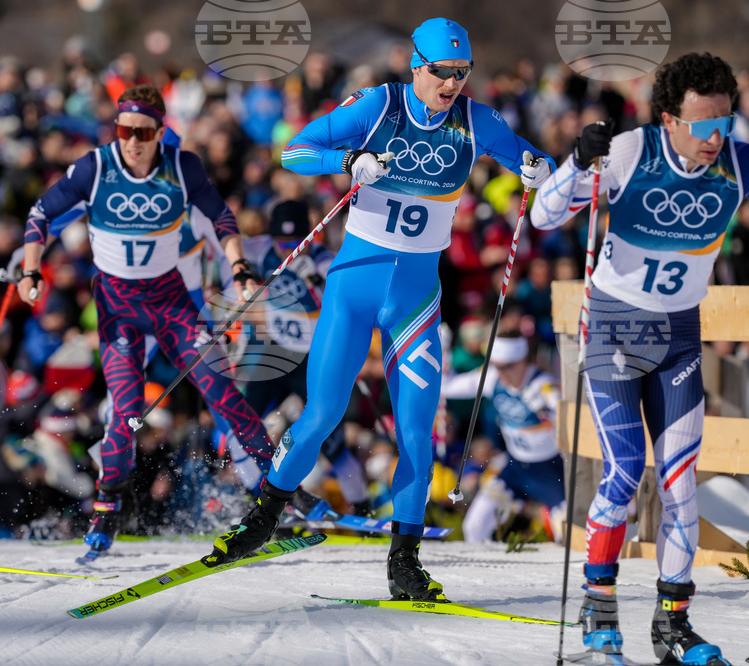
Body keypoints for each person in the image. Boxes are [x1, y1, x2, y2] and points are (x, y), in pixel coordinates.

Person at [203, 17, 555, 603]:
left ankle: (405, 561)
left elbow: (530, 159)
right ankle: (262, 518)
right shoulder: (378, 105)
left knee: (418, 433)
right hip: (354, 287)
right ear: (416, 66)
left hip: (415, 299)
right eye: (441, 72)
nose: (451, 84)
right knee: (322, 415)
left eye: (461, 74)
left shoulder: (476, 119)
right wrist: (347, 164)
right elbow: (294, 150)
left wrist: (539, 168)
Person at [531, 52, 745, 666]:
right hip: (616, 328)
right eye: (703, 125)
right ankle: (598, 605)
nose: (715, 139)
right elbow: (546, 216)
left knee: (681, 484)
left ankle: (674, 624)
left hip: (679, 332)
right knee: (625, 472)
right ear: (670, 120)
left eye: (725, 124)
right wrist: (576, 161)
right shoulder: (629, 151)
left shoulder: (736, 160)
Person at [18, 84, 276, 560]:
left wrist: (239, 267)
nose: (131, 141)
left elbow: (222, 218)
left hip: (171, 301)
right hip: (119, 308)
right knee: (128, 410)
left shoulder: (182, 167)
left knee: (222, 389)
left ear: (160, 132)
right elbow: (40, 214)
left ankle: (277, 491)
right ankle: (107, 504)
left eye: (142, 132)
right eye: (123, 130)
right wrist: (31, 267)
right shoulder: (96, 167)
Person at [236, 200, 370, 515]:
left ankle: (362, 507)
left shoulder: (323, 261)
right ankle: (251, 502)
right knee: (242, 423)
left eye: (297, 244)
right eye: (282, 244)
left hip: (310, 359)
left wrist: (318, 283)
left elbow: (350, 304)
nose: (288, 251)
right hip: (271, 354)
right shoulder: (258, 251)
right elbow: (226, 255)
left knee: (331, 440)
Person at [440, 332, 565, 543]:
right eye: (497, 366)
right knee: (474, 525)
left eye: (507, 367)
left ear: (522, 360)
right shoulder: (492, 378)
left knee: (569, 537)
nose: (503, 374)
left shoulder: (542, 385)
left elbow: (570, 419)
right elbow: (447, 387)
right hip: (515, 468)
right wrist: (443, 351)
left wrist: (553, 411)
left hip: (550, 471)